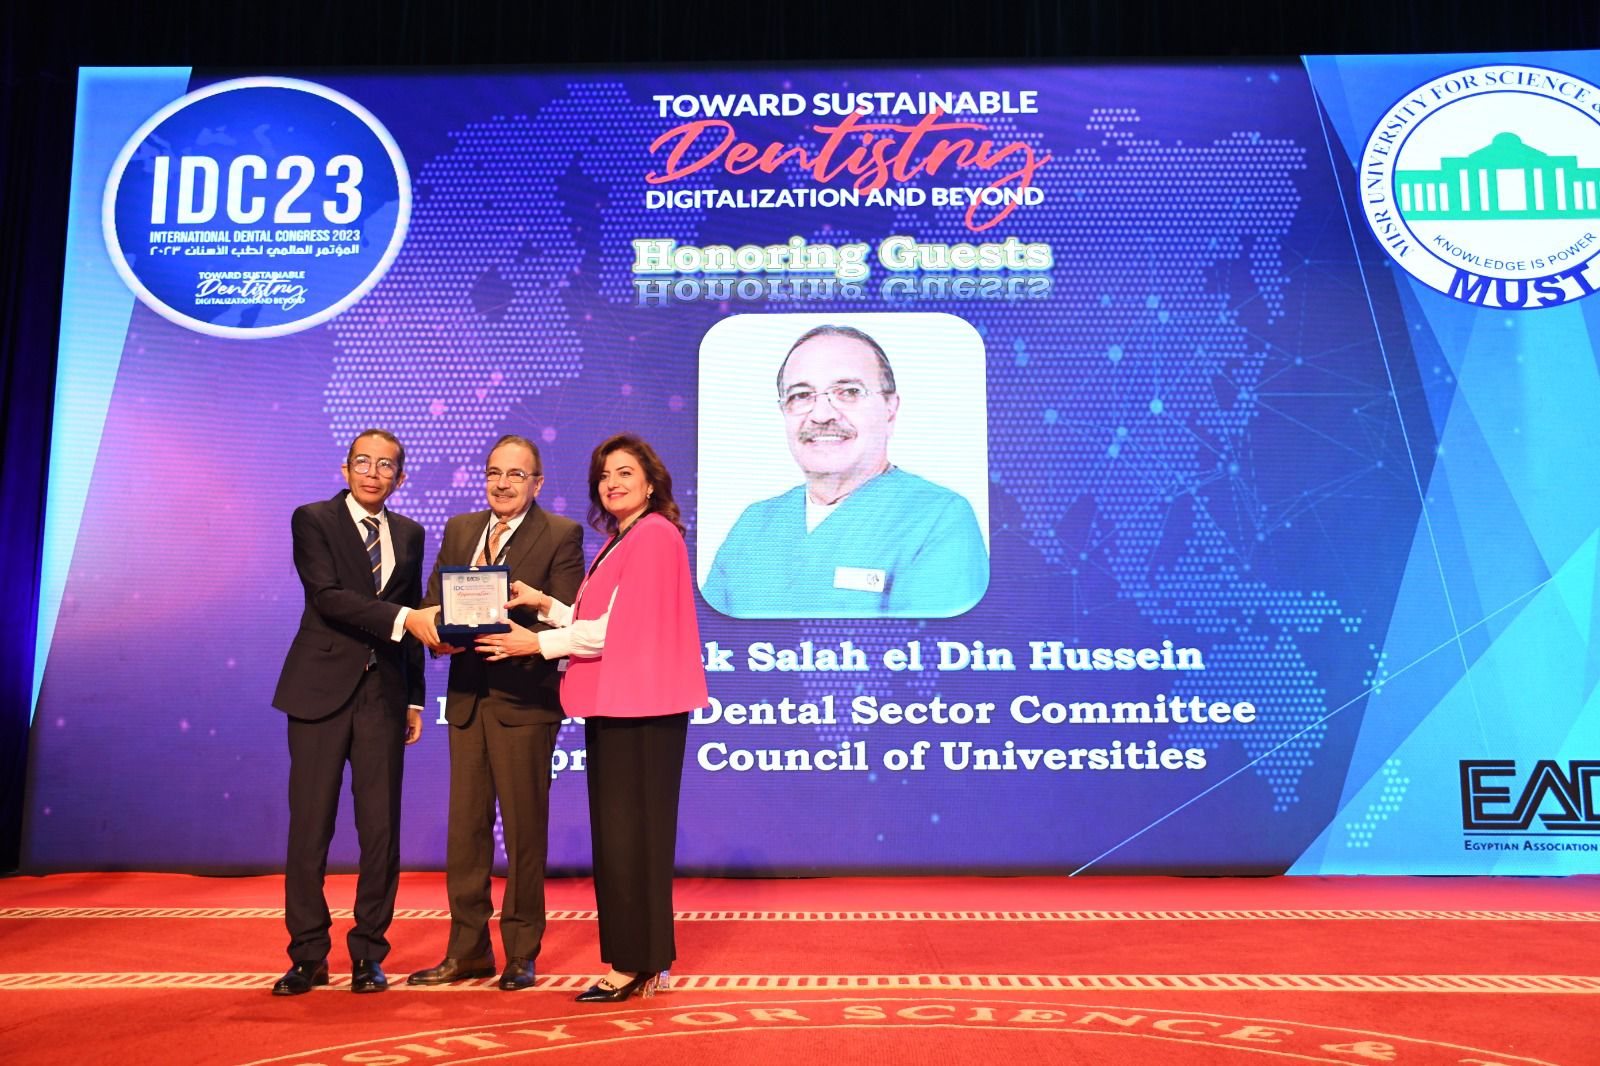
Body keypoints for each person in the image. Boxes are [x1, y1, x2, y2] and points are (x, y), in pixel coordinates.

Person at [477, 434, 707, 1003]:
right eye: (604, 475)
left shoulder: (653, 535)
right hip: (622, 702)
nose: (612, 483)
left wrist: (537, 643)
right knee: (622, 837)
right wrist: (544, 604)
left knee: (632, 837)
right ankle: (641, 959)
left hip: (642, 708)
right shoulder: (623, 538)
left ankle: (634, 964)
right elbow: (596, 618)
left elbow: (616, 630)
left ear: (651, 483)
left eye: (625, 472)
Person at [406, 435, 585, 992]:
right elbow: (434, 602)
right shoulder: (461, 528)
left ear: (537, 483)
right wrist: (436, 634)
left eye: (515, 475)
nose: (502, 484)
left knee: (525, 832)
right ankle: (467, 951)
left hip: (525, 702)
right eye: (493, 473)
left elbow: (567, 615)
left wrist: (525, 632)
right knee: (465, 832)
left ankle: (521, 952)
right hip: (467, 700)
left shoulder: (560, 534)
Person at [270, 429, 434, 995]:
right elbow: (328, 596)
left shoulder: (410, 534)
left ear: (400, 478)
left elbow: (412, 616)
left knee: (380, 829)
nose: (372, 473)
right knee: (310, 827)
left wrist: (414, 696)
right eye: (362, 462)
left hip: (383, 695)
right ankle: (307, 954)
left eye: (385, 465)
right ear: (345, 469)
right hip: (318, 690)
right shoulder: (313, 519)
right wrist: (405, 620)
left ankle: (368, 952)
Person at [701, 323, 988, 618]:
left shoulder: (938, 519)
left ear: (890, 409)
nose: (821, 414)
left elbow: (926, 642)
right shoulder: (754, 525)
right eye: (801, 395)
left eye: (849, 392)